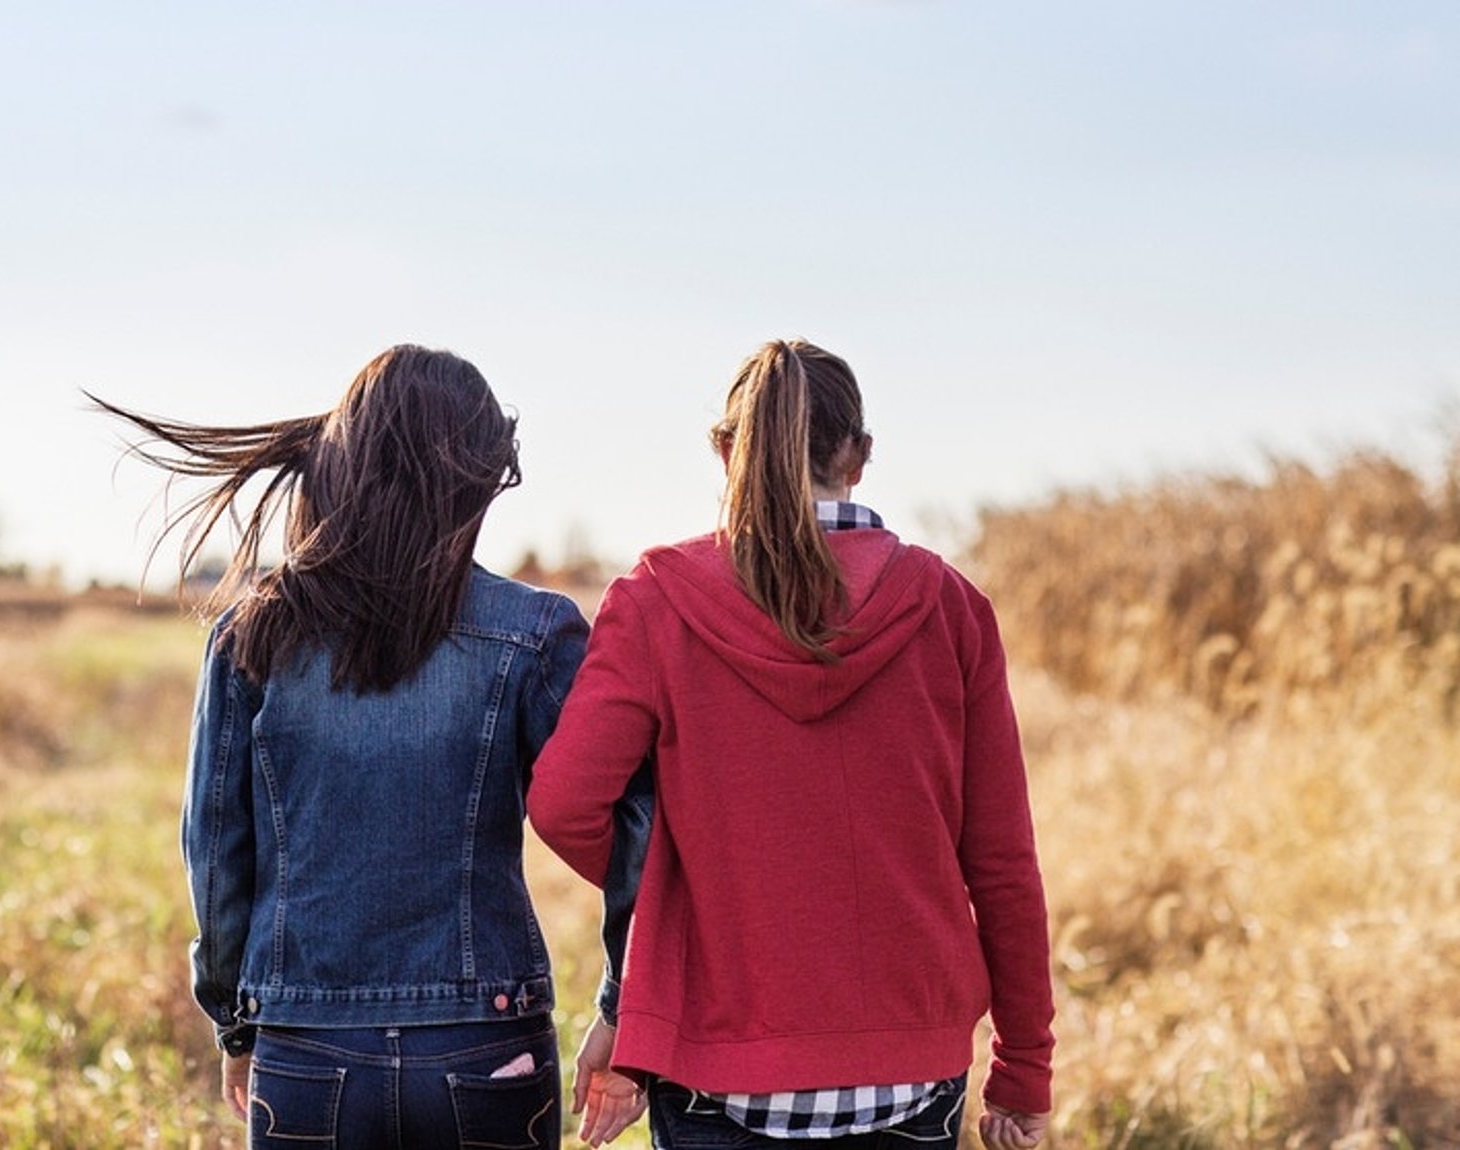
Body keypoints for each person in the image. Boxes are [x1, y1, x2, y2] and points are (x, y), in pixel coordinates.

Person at [531, 339, 1055, 1150]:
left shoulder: (656, 600)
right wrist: (1023, 1068)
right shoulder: (951, 606)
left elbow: (566, 804)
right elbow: (1002, 862)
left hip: (717, 1066)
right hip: (912, 1072)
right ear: (859, 456)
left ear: (725, 451)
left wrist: (687, 881)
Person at [91, 344, 595, 1149]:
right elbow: (617, 819)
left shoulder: (251, 632)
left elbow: (217, 854)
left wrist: (235, 1020)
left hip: (307, 1044)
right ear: (468, 478)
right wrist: (624, 1006)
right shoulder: (534, 633)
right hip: (486, 1041)